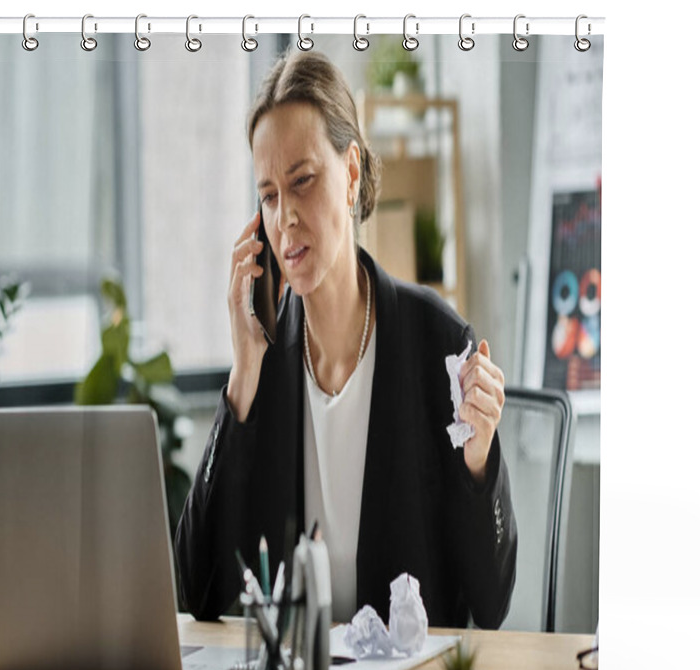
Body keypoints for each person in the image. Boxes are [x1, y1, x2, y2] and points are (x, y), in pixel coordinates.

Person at [175, 49, 516, 630]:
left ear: (351, 173)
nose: (284, 219)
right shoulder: (267, 365)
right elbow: (197, 591)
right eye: (269, 194)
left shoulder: (437, 343)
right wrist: (241, 381)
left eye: (302, 182)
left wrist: (478, 463)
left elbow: (491, 601)